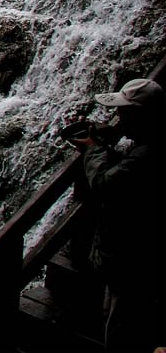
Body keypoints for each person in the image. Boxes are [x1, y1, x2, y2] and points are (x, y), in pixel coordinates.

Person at [73, 78, 165, 352]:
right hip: (137, 257)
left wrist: (93, 150)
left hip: (133, 259)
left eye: (124, 113)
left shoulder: (148, 154)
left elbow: (106, 183)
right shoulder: (149, 143)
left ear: (143, 116)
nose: (118, 118)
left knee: (122, 329)